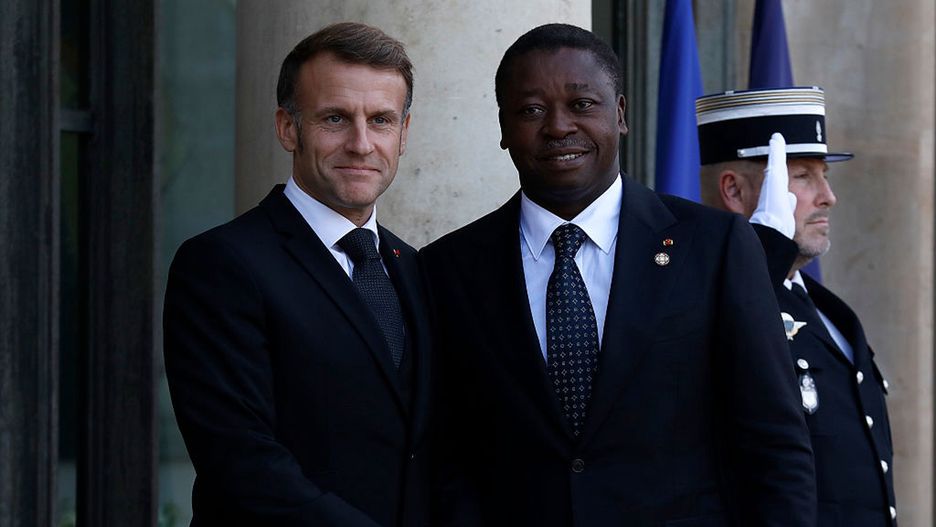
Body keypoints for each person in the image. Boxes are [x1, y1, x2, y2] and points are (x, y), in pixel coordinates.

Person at [422, 23, 815, 527]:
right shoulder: (448, 268)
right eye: (531, 110)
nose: (558, 126)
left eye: (582, 104)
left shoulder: (715, 247)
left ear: (621, 114)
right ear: (503, 128)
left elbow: (774, 445)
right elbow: (449, 457)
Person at [163, 22, 430, 527]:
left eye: (381, 120)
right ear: (288, 127)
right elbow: (241, 461)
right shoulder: (221, 265)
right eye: (335, 118)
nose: (361, 143)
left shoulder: (413, 268)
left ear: (404, 134)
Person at [697, 86, 897, 526]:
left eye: (824, 174)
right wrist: (765, 247)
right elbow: (712, 346)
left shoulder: (829, 311)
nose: (828, 196)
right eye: (803, 176)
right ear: (733, 188)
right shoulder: (698, 300)